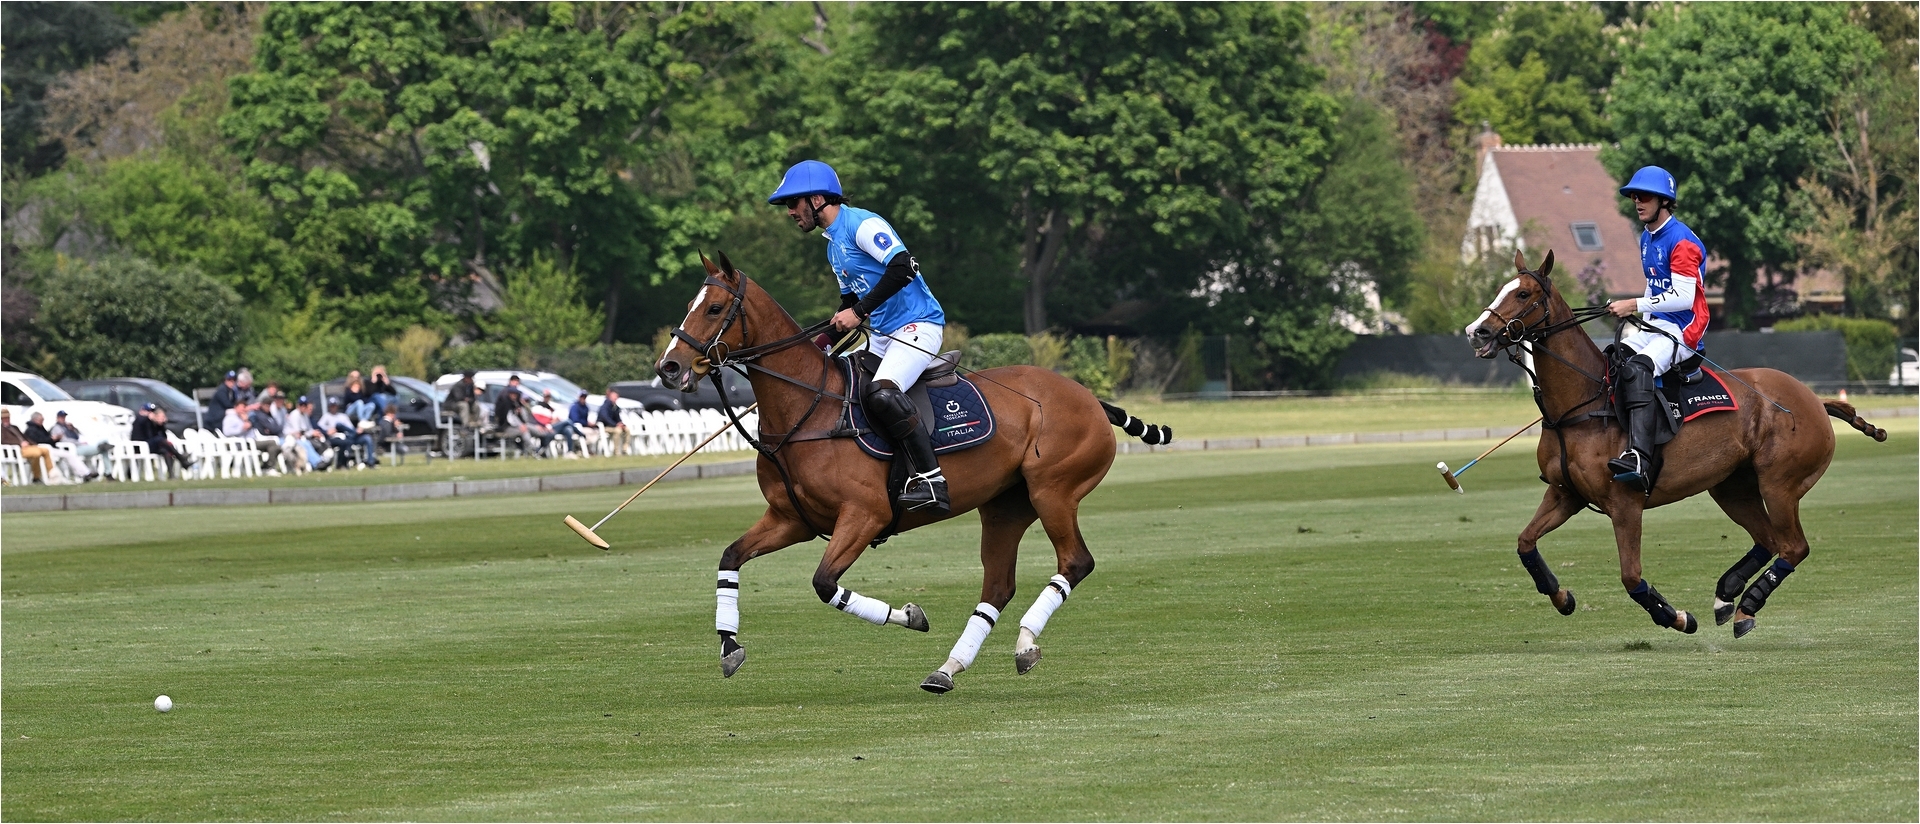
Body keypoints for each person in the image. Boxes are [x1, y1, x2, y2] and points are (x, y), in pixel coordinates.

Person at [769, 159, 950, 512]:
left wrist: (860, 312)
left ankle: (933, 482)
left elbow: (904, 266)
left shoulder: (862, 225)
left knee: (883, 393)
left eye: (793, 203)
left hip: (919, 325)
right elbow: (848, 305)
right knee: (834, 383)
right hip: (882, 335)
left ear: (817, 199)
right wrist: (816, 347)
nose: (790, 212)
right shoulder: (832, 246)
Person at [1605, 165, 1710, 493]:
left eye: (1645, 196)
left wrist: (1633, 305)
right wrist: (1642, 322)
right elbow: (1654, 287)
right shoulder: (1647, 238)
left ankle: (1640, 457)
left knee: (1638, 369)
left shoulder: (1681, 240)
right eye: (1634, 196)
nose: (1637, 201)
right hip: (1658, 325)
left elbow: (1683, 297)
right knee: (1613, 358)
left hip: (1684, 329)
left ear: (1664, 200)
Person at [25, 411, 98, 482]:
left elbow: (76, 436)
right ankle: (84, 473)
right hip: (44, 450)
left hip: (51, 448)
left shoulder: (41, 428)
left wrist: (72, 430)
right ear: (36, 420)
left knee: (69, 455)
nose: (42, 422)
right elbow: (38, 441)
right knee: (68, 455)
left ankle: (85, 473)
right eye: (41, 420)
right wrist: (52, 439)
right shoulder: (31, 430)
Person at [131, 404, 195, 475]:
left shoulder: (153, 423)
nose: (151, 414)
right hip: (140, 446)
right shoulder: (140, 420)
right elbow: (149, 436)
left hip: (151, 446)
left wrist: (161, 424)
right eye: (149, 412)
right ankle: (181, 457)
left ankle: (172, 474)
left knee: (166, 451)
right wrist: (148, 418)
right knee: (160, 439)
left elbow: (164, 436)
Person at [318, 397, 376, 470]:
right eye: (331, 406)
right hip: (336, 437)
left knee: (367, 438)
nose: (333, 407)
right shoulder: (326, 416)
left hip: (349, 436)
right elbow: (319, 428)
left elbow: (350, 428)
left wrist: (357, 431)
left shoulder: (343, 416)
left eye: (334, 405)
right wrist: (328, 431)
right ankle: (362, 425)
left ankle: (371, 462)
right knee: (338, 425)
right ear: (329, 406)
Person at [2, 409, 56, 483]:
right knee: (36, 453)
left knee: (45, 450)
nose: (6, 419)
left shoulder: (14, 427)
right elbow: (3, 441)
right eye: (4, 418)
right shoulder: (2, 429)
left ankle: (52, 474)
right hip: (16, 450)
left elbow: (25, 437)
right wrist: (19, 443)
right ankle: (36, 477)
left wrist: (33, 443)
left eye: (7, 417)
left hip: (26, 447)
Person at [50, 410, 115, 468]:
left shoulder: (68, 426)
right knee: (103, 448)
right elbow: (65, 440)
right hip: (75, 448)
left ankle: (108, 472)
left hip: (83, 445)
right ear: (57, 418)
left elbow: (80, 435)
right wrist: (79, 443)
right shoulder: (56, 428)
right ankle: (108, 471)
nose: (63, 418)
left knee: (104, 443)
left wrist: (73, 429)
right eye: (61, 417)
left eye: (64, 417)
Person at [282, 395, 326, 471]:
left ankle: (321, 461)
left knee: (318, 442)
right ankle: (317, 463)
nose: (303, 407)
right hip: (290, 437)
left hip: (301, 436)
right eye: (301, 405)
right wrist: (311, 433)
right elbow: (297, 432)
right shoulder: (295, 414)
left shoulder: (305, 415)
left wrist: (314, 433)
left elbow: (308, 428)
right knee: (306, 443)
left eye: (305, 405)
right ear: (298, 405)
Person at [597, 387, 631, 456]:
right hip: (605, 426)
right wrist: (615, 425)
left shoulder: (615, 407)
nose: (616, 398)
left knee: (627, 430)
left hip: (614, 426)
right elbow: (605, 418)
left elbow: (618, 418)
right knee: (618, 431)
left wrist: (621, 424)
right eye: (614, 396)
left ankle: (624, 449)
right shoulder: (605, 406)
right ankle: (616, 451)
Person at [568, 391, 594, 456]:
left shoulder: (586, 407)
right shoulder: (574, 407)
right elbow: (575, 420)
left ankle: (584, 449)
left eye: (584, 397)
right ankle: (581, 449)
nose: (583, 399)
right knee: (588, 433)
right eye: (582, 397)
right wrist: (586, 423)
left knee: (594, 432)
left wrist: (589, 424)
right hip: (575, 427)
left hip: (583, 426)